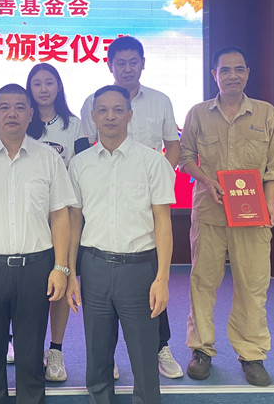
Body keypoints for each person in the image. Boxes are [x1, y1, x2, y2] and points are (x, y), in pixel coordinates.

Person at [0, 84, 74, 404]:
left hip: (36, 267)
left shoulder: (48, 158)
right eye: (4, 107)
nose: (12, 114)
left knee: (30, 350)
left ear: (30, 114)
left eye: (20, 107)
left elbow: (60, 215)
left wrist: (61, 267)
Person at [179, 46, 274, 387]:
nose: (232, 76)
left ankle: (251, 354)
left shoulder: (266, 113)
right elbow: (185, 157)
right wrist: (205, 179)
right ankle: (201, 350)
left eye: (239, 69)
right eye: (225, 70)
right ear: (214, 75)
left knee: (253, 285)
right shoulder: (198, 113)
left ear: (248, 73)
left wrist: (270, 203)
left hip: (253, 215)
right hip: (209, 213)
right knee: (202, 282)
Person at [79, 35, 183, 379]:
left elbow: (172, 145)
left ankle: (160, 347)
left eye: (133, 62)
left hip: (145, 194)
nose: (127, 68)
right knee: (103, 313)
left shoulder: (160, 101)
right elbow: (88, 147)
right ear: (110, 65)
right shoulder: (93, 102)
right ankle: (107, 358)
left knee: (151, 285)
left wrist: (158, 180)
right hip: (106, 195)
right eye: (120, 63)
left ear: (142, 63)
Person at [68, 85, 175, 404]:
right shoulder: (80, 164)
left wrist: (163, 278)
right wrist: (70, 271)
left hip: (139, 269)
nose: (110, 116)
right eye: (103, 110)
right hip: (95, 267)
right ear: (93, 116)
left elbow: (163, 222)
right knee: (97, 354)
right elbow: (74, 221)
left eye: (118, 110)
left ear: (130, 115)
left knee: (144, 355)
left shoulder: (152, 162)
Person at [25, 63, 89, 381]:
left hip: (64, 212)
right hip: (29, 213)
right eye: (37, 83)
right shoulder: (23, 121)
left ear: (59, 86)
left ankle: (56, 351)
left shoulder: (73, 124)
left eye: (49, 82)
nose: (43, 89)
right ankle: (28, 346)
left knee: (62, 277)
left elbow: (82, 166)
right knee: (30, 286)